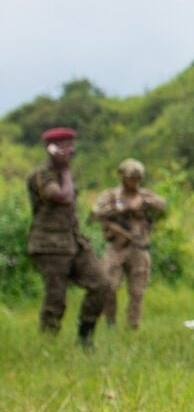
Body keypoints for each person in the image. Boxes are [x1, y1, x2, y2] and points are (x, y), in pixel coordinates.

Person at [26, 127, 112, 343]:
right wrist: (65, 170)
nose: (70, 150)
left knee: (101, 284)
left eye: (71, 145)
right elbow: (62, 197)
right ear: (51, 148)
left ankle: (85, 337)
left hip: (74, 241)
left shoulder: (64, 173)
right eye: (64, 145)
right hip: (50, 245)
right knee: (56, 299)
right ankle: (48, 344)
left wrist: (65, 170)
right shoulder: (42, 175)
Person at [91, 159, 168, 330]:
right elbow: (96, 213)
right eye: (131, 178)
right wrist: (120, 209)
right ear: (122, 177)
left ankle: (133, 325)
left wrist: (143, 204)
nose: (134, 182)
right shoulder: (111, 195)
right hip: (116, 247)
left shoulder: (145, 196)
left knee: (137, 290)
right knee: (110, 286)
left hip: (139, 246)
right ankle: (110, 322)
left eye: (138, 178)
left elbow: (162, 205)